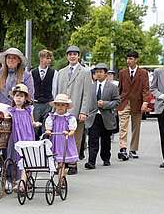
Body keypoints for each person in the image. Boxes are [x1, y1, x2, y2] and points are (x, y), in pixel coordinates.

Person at [57, 45, 92, 175]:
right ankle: (61, 161)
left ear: (79, 56)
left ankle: (73, 163)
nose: (72, 56)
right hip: (61, 110)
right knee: (61, 137)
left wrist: (84, 111)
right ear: (67, 56)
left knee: (76, 137)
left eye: (75, 54)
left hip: (77, 110)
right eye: (70, 54)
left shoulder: (85, 72)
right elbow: (57, 91)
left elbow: (87, 94)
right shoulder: (61, 72)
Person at [84, 63, 120, 169]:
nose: (98, 74)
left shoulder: (112, 87)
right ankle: (91, 161)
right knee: (92, 139)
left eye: (101, 72)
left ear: (105, 74)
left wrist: (105, 104)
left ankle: (106, 158)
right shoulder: (90, 86)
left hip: (106, 116)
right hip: (93, 116)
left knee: (105, 139)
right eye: (96, 72)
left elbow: (117, 101)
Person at [117, 51, 150, 161]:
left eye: (131, 59)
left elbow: (146, 89)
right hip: (124, 102)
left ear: (136, 60)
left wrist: (145, 102)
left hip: (138, 103)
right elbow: (119, 89)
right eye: (127, 59)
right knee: (123, 126)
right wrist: (117, 102)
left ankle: (133, 149)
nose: (128, 61)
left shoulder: (143, 73)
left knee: (136, 127)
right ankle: (123, 148)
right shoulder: (122, 72)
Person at [6, 84, 37, 182]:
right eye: (16, 96)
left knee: (26, 155)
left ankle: (25, 178)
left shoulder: (28, 110)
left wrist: (35, 124)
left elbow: (32, 122)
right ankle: (15, 178)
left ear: (25, 99)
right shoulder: (11, 111)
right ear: (13, 98)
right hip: (16, 135)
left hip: (27, 135)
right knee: (16, 155)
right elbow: (6, 121)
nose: (18, 98)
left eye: (21, 96)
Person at [45, 94, 77, 183]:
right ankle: (60, 179)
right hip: (55, 141)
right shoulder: (52, 117)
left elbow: (72, 130)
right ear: (55, 106)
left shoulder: (69, 118)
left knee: (62, 162)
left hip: (65, 142)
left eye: (63, 105)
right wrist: (48, 131)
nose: (60, 107)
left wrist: (68, 133)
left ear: (66, 106)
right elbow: (48, 128)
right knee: (58, 162)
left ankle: (61, 180)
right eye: (58, 105)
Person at [31, 49, 58, 140]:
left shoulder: (54, 73)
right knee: (34, 127)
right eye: (47, 58)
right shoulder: (32, 72)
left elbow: (54, 88)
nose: (49, 60)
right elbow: (31, 88)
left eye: (50, 58)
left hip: (48, 103)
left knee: (47, 127)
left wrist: (53, 102)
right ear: (41, 59)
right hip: (36, 103)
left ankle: (45, 148)